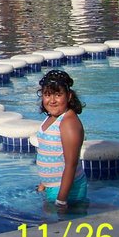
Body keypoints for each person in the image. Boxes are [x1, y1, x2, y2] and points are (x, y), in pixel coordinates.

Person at [36, 69, 87, 210]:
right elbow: (48, 152)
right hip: (52, 188)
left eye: (58, 95)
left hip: (66, 192)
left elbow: (70, 164)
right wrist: (43, 184)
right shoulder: (52, 117)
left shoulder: (68, 123)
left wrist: (62, 201)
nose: (52, 100)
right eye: (47, 95)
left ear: (69, 96)